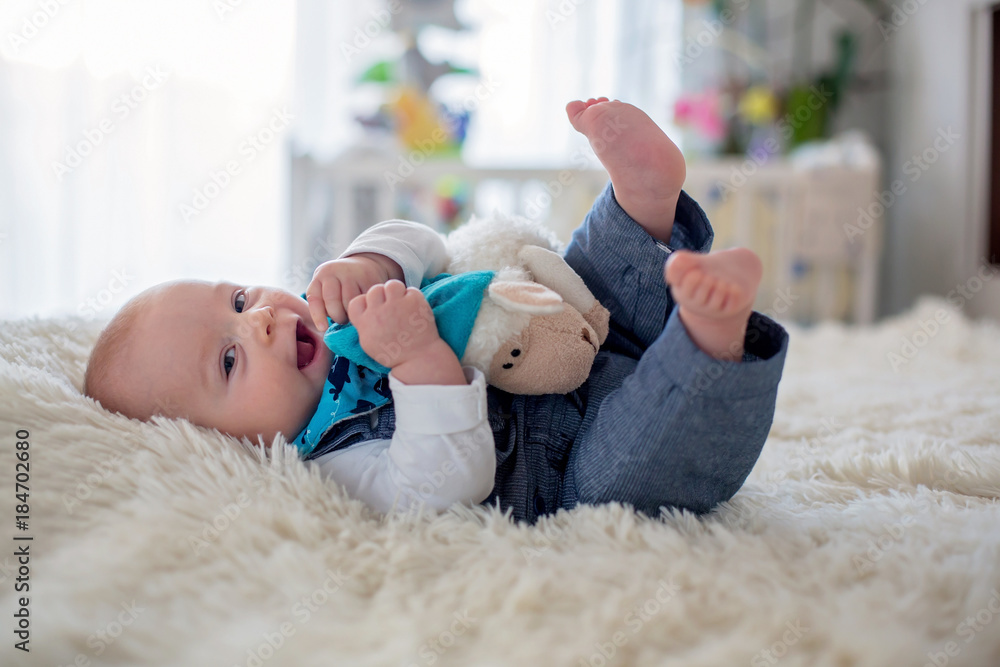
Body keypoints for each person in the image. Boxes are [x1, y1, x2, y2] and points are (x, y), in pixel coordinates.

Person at [83, 98, 789, 524]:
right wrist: (419, 360)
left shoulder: (337, 303)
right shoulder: (329, 461)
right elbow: (443, 483)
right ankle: (707, 332)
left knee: (592, 276)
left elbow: (430, 243)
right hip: (571, 458)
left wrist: (371, 261)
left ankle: (642, 200)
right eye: (230, 358)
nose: (259, 319)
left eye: (238, 298)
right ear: (226, 444)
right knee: (626, 479)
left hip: (567, 328)